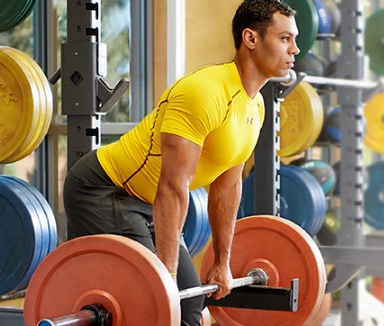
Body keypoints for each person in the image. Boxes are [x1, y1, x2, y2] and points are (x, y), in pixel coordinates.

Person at [63, 0, 300, 324]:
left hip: (149, 202)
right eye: (285, 38)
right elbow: (173, 186)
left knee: (190, 308)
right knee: (152, 307)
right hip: (105, 190)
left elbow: (227, 189)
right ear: (251, 38)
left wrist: (221, 261)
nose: (295, 49)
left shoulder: (255, 107)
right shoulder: (203, 92)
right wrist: (166, 276)